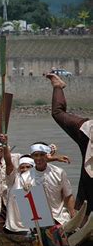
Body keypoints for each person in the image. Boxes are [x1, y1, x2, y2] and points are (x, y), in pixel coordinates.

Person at [47, 73, 93, 217]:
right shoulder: (86, 132)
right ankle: (58, 86)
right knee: (58, 113)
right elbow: (58, 113)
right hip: (88, 188)